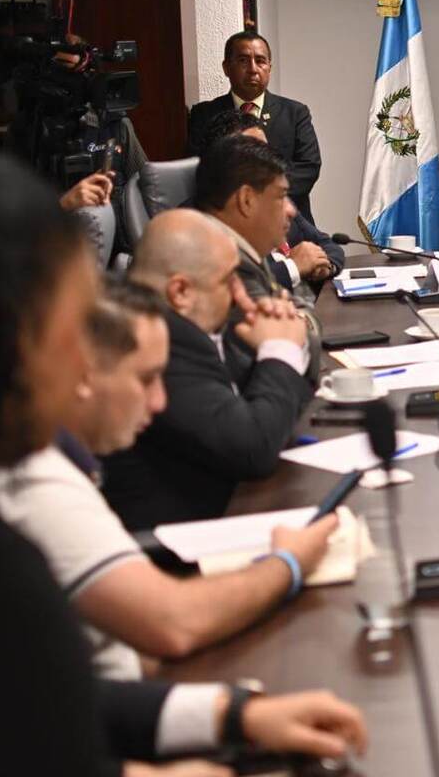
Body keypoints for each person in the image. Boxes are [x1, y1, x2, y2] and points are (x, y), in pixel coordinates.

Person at [0, 153, 366, 775]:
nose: (83, 360)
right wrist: (286, 564)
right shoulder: (27, 483)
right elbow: (163, 630)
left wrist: (230, 714)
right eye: (69, 330)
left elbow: (56, 704)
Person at [1, 277, 339, 678]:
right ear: (81, 372)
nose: (160, 401)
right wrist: (288, 562)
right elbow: (173, 623)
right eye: (145, 379)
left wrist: (229, 715)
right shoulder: (35, 481)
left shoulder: (67, 461)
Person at [101, 209, 314, 529]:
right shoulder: (155, 349)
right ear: (181, 292)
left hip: (229, 508)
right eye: (229, 280)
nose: (240, 294)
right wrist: (280, 350)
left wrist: (279, 337)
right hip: (183, 548)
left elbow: (259, 407)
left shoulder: (200, 324)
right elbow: (253, 448)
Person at [193, 134, 322, 377]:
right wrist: (302, 322)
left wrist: (298, 317)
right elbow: (303, 344)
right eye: (282, 196)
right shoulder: (225, 262)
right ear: (246, 200)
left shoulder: (248, 247)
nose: (292, 210)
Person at [199, 110, 343, 296]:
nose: (289, 210)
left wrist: (323, 265)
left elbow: (327, 244)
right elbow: (232, 289)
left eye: (266, 148)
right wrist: (293, 267)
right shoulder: (197, 224)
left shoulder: (273, 199)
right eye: (255, 152)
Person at [187, 32, 322, 224]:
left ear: (269, 67)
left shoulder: (294, 113)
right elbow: (200, 168)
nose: (253, 69)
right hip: (227, 221)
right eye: (243, 60)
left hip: (289, 221)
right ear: (226, 67)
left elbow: (308, 168)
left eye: (260, 61)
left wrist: (261, 196)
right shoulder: (204, 114)